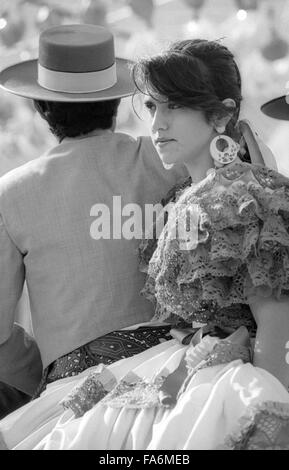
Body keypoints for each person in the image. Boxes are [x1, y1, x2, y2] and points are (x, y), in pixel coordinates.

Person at [1, 38, 289, 451]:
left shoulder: (245, 194)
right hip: (172, 374)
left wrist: (271, 418)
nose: (158, 124)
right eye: (153, 107)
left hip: (218, 383)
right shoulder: (176, 193)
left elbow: (277, 316)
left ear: (222, 113)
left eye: (175, 105)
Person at [0, 24, 188, 418]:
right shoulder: (173, 164)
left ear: (41, 107)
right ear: (116, 102)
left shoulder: (11, 193)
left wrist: (53, 367)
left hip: (75, 398)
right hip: (183, 379)